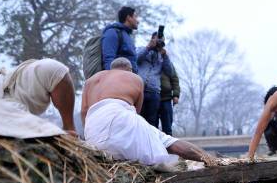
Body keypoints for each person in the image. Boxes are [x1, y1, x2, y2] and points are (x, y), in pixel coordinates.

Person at [81, 57, 215, 169]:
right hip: (119, 117)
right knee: (166, 141)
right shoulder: (135, 78)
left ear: (112, 68)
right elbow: (136, 111)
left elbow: (84, 112)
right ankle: (212, 160)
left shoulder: (90, 81)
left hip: (93, 132)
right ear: (129, 69)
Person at [137, 32, 174, 127]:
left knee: (152, 122)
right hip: (139, 90)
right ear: (152, 39)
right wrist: (148, 47)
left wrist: (165, 56)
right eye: (157, 40)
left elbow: (169, 72)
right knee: (138, 120)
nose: (159, 42)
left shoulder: (162, 56)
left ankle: (150, 141)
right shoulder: (142, 49)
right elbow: (136, 59)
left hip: (154, 93)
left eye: (162, 41)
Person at [101, 6, 139, 73]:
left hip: (129, 79)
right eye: (135, 17)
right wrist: (113, 80)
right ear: (128, 18)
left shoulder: (127, 36)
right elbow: (108, 59)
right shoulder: (112, 32)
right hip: (119, 80)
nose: (138, 21)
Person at [157, 61, 180, 135]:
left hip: (166, 98)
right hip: (151, 99)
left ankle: (169, 146)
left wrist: (176, 95)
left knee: (168, 127)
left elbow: (175, 80)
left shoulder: (168, 63)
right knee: (152, 126)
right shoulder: (148, 61)